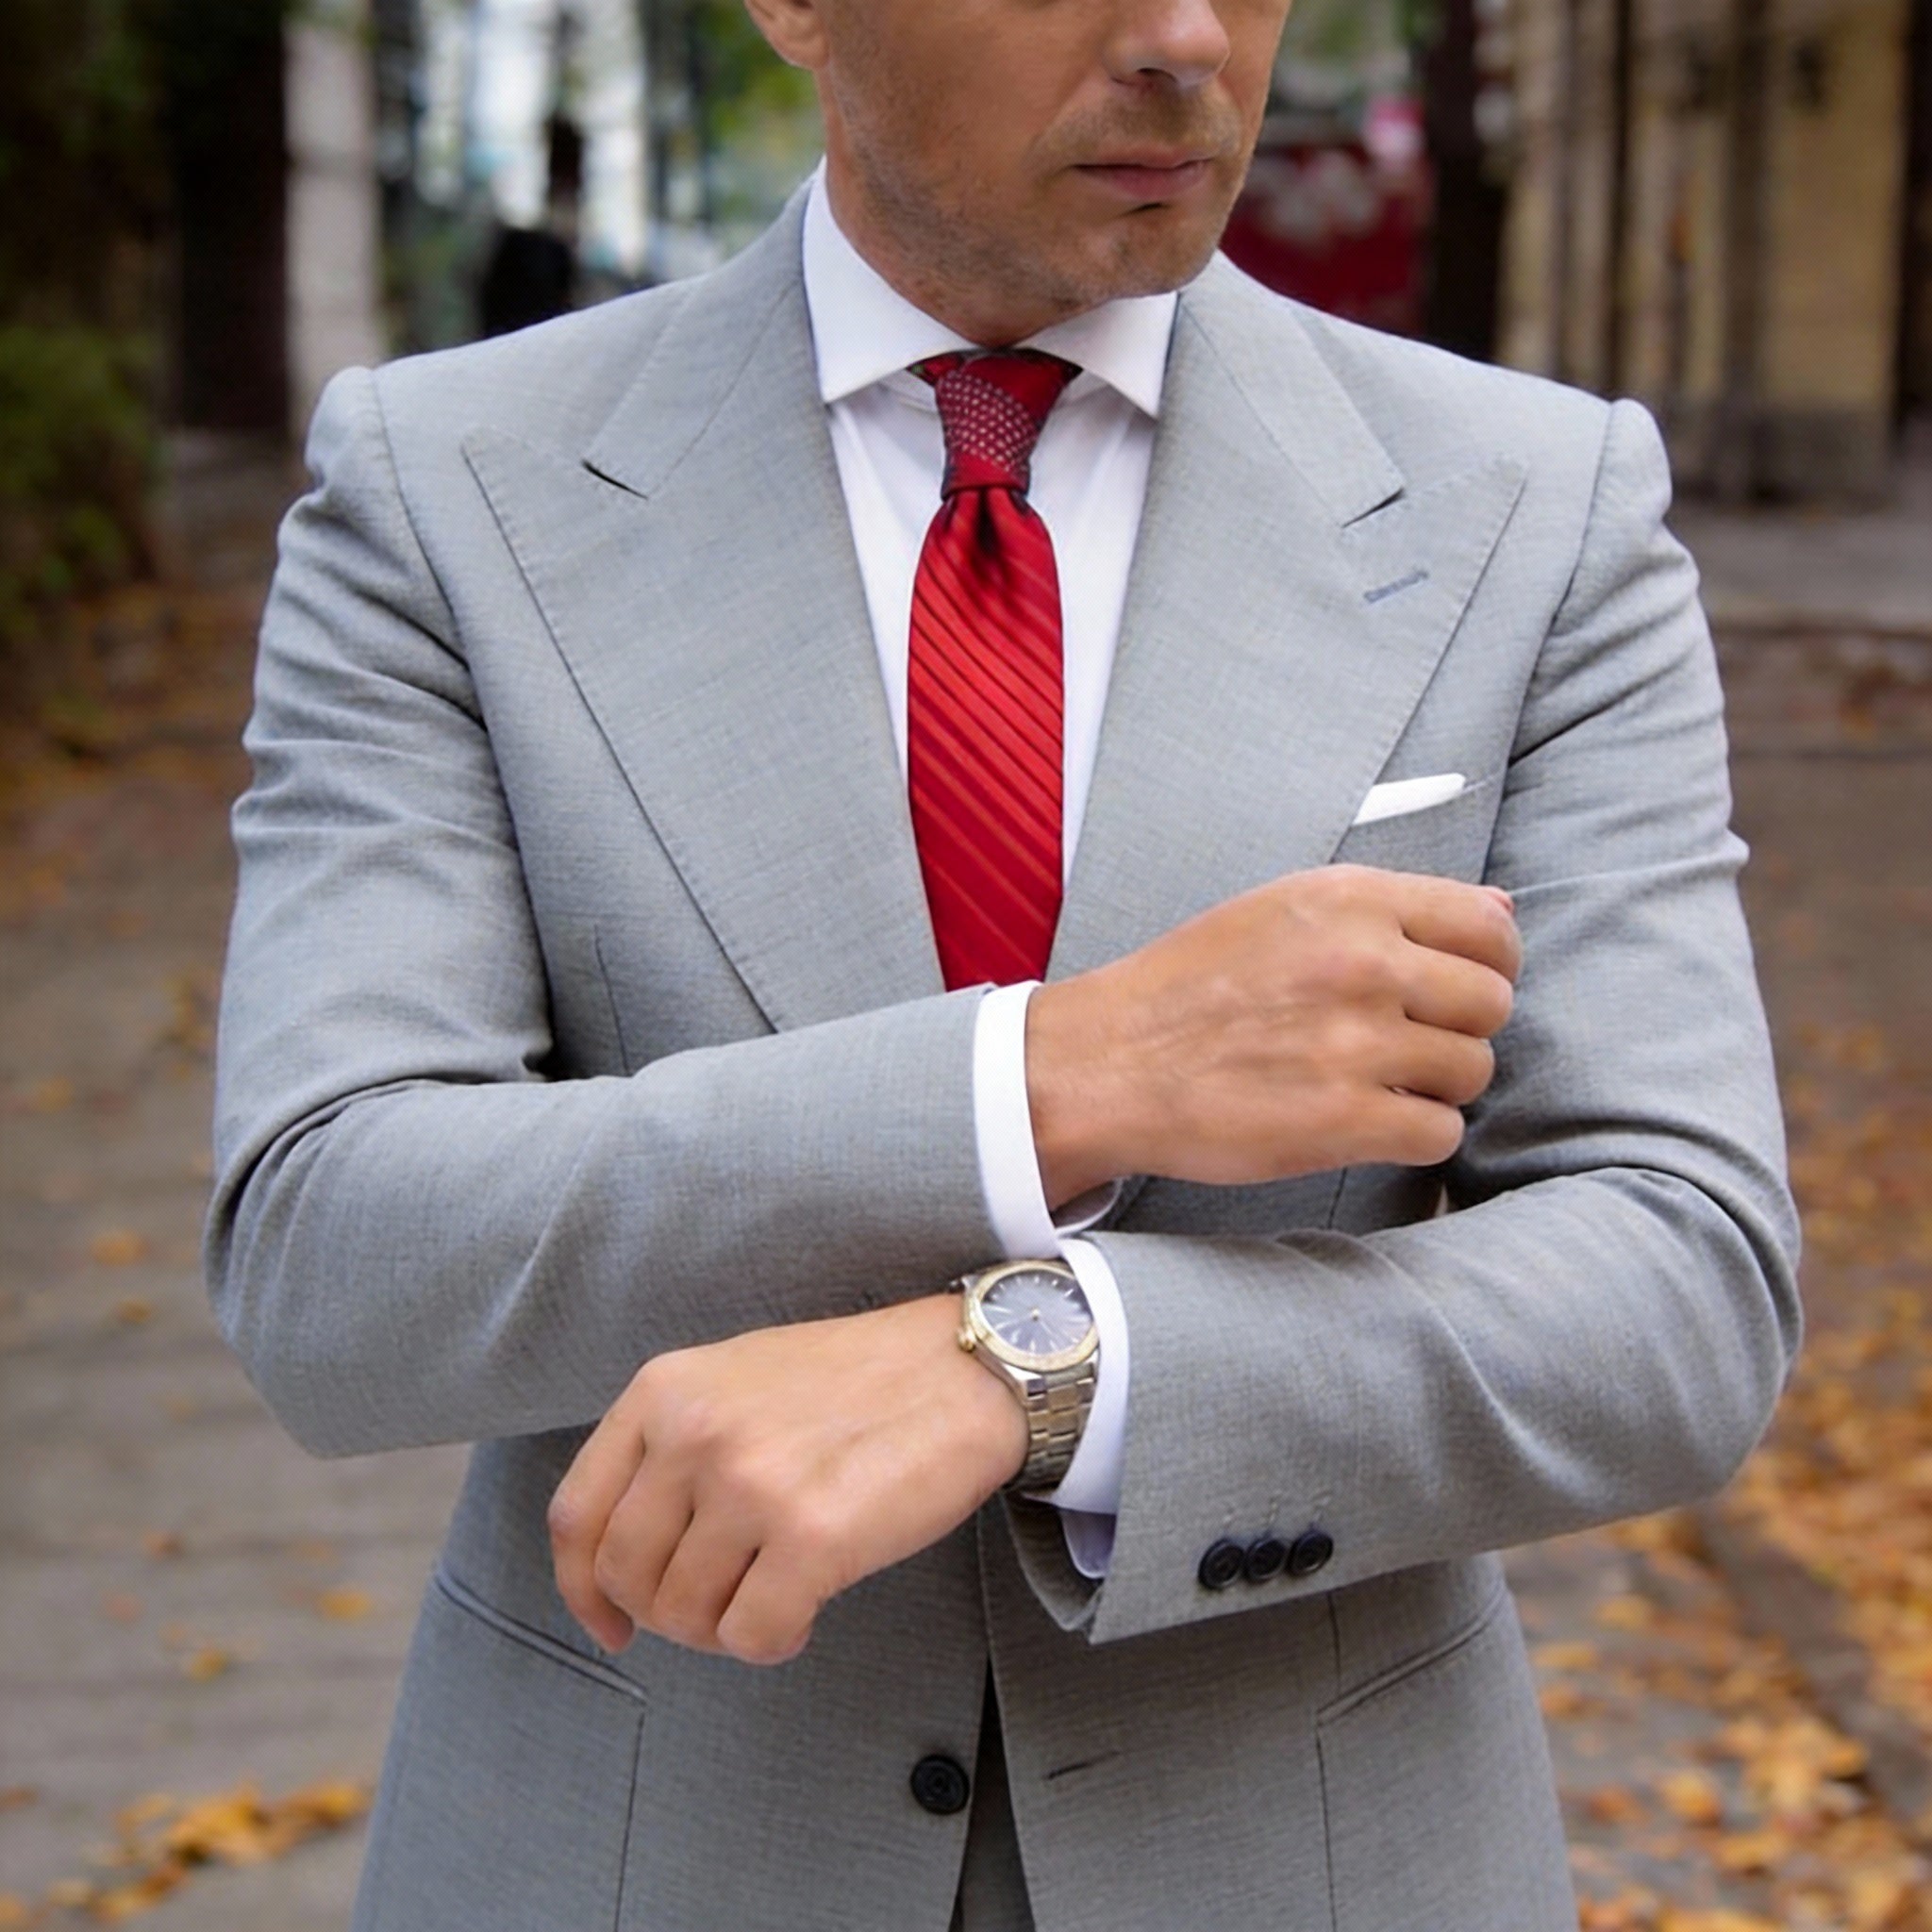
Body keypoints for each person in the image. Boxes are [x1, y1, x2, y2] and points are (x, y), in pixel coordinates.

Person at [205, 0, 1800, 1926]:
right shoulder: (449, 490)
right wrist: (1049, 1078)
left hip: (1309, 1856)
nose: (1187, 35)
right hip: (644, 1850)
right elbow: (332, 1252)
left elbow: (1679, 1278)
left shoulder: (1535, 510)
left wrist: (1041, 1366)